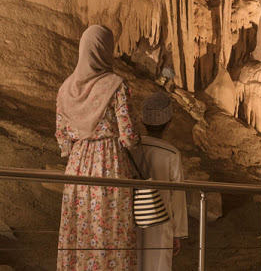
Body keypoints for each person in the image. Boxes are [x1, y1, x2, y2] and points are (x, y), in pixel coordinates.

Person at [55, 25, 139, 270]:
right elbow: (129, 135)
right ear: (105, 50)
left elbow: (62, 138)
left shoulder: (65, 89)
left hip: (77, 167)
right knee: (110, 229)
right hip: (108, 164)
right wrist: (131, 142)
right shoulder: (116, 85)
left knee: (79, 230)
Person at [130, 92, 188, 271]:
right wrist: (177, 233)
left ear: (143, 121)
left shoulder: (130, 148)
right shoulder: (171, 154)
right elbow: (177, 196)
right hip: (160, 222)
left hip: (131, 218)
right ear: (168, 124)